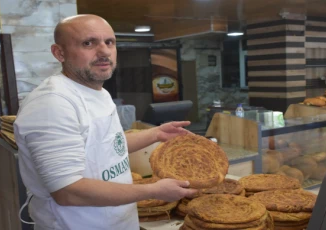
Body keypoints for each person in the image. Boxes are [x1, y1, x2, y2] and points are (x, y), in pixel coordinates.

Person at [14, 14, 197, 230]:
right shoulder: (52, 103)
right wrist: (154, 190)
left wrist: (157, 134)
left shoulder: (98, 92)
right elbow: (68, 192)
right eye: (88, 43)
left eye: (109, 42)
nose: (103, 51)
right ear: (59, 53)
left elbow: (106, 148)